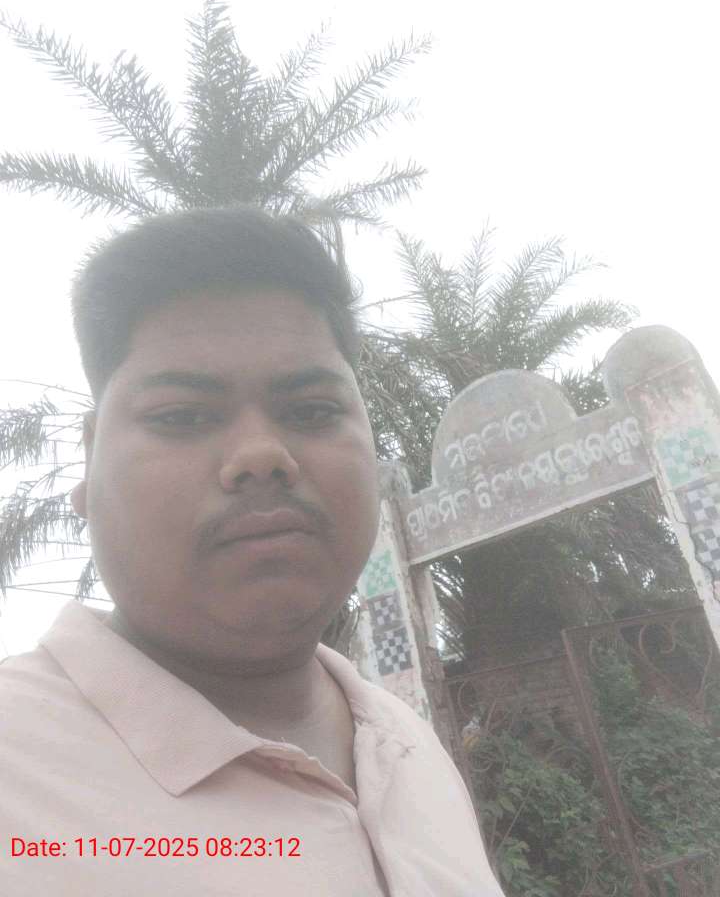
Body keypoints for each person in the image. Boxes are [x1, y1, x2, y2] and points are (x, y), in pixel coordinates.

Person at [0, 207, 505, 895]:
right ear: (90, 461)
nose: (262, 455)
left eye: (312, 411)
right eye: (183, 416)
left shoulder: (408, 745)